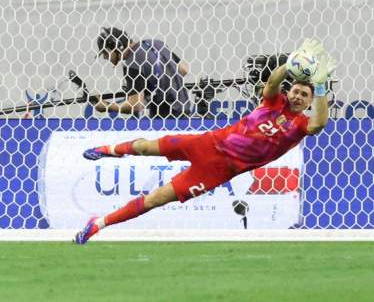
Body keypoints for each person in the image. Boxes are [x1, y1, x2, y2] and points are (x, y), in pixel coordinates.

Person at [76, 39, 336, 244]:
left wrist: (320, 84)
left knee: (156, 199)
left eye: (305, 95)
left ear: (310, 101)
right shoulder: (273, 102)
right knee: (146, 146)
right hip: (206, 143)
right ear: (288, 91)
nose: (299, 97)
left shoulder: (300, 125)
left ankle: (99, 223)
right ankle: (109, 150)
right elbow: (271, 83)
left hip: (217, 171)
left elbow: (320, 123)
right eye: (296, 91)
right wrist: (290, 63)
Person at [94, 27, 191, 118]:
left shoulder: (132, 63)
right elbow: (184, 69)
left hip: (165, 117)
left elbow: (136, 105)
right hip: (185, 109)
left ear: (117, 46)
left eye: (106, 52)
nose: (105, 57)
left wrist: (107, 106)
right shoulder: (157, 43)